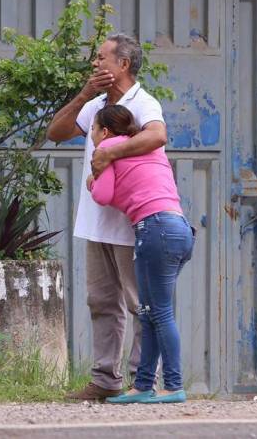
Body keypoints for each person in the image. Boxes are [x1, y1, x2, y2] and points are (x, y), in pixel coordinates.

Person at [47, 34, 167, 401]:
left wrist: (109, 155)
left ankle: (142, 382)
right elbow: (56, 132)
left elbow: (157, 136)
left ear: (123, 65)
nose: (95, 64)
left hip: (130, 221)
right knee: (101, 301)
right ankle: (104, 379)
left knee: (138, 304)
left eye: (101, 58)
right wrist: (83, 94)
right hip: (95, 220)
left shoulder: (143, 103)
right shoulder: (97, 104)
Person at [88, 105, 194, 404]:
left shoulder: (108, 147)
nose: (93, 137)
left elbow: (103, 195)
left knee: (159, 312)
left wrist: (93, 181)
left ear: (105, 131)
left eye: (93, 130)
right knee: (148, 312)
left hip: (155, 229)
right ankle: (143, 385)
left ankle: (173, 385)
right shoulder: (149, 150)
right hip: (179, 229)